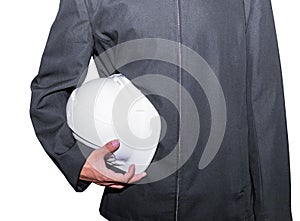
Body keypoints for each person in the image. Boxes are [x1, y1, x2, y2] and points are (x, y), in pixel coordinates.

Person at [29, 0, 292, 220]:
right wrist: (76, 162)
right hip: (136, 202)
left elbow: (265, 104)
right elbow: (50, 90)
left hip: (226, 204)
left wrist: (275, 213)